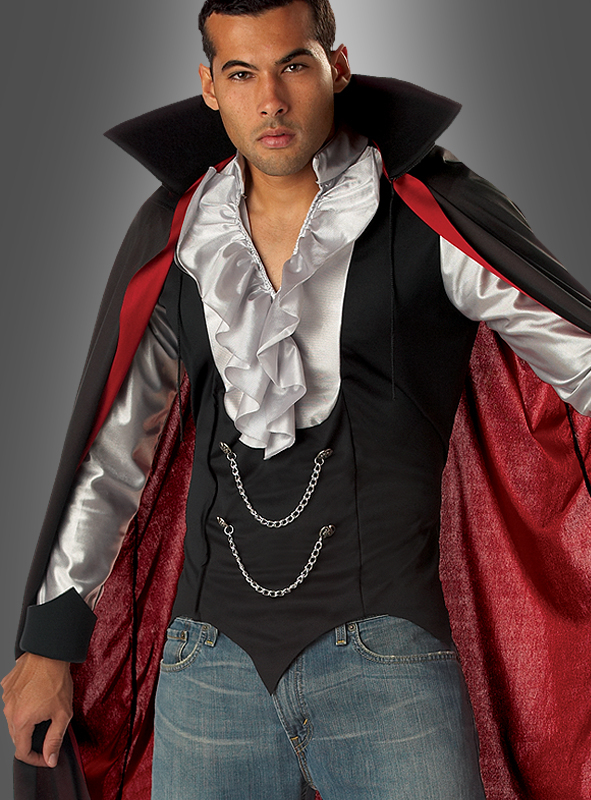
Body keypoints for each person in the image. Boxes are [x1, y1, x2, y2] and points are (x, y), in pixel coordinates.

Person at [3, 0, 591, 798]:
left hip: (388, 669)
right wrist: (51, 641)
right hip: (204, 670)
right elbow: (114, 455)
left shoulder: (428, 214)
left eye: (293, 66)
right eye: (242, 74)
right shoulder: (183, 236)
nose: (270, 101)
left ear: (335, 67)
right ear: (210, 87)